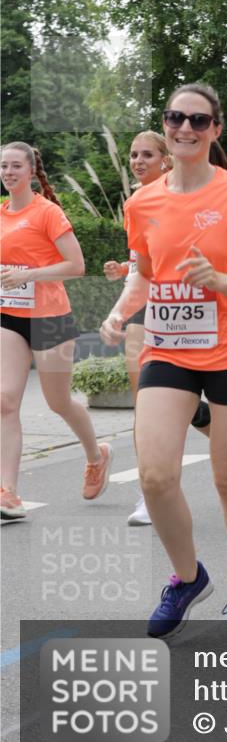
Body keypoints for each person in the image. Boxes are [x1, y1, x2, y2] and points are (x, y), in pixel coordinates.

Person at [100, 83, 227, 641]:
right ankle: (187, 576)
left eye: (198, 121)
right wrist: (120, 311)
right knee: (155, 475)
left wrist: (218, 279)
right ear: (166, 122)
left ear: (215, 130)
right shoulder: (143, 202)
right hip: (168, 347)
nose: (185, 128)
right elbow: (148, 275)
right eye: (176, 118)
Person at [103, 131, 211, 526]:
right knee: (144, 405)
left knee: (167, 402)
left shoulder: (184, 196)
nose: (137, 161)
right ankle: (151, 494)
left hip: (181, 308)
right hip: (143, 309)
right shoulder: (135, 203)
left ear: (166, 159)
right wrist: (123, 269)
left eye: (147, 154)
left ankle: (203, 418)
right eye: (133, 155)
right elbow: (143, 262)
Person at [1, 142, 112, 520]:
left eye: (16, 166)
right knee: (4, 400)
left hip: (50, 317)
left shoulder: (47, 212)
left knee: (58, 402)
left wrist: (28, 274)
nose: (8, 172)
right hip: (9, 316)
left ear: (31, 171)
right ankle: (8, 492)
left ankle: (97, 457)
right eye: (3, 166)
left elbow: (76, 265)